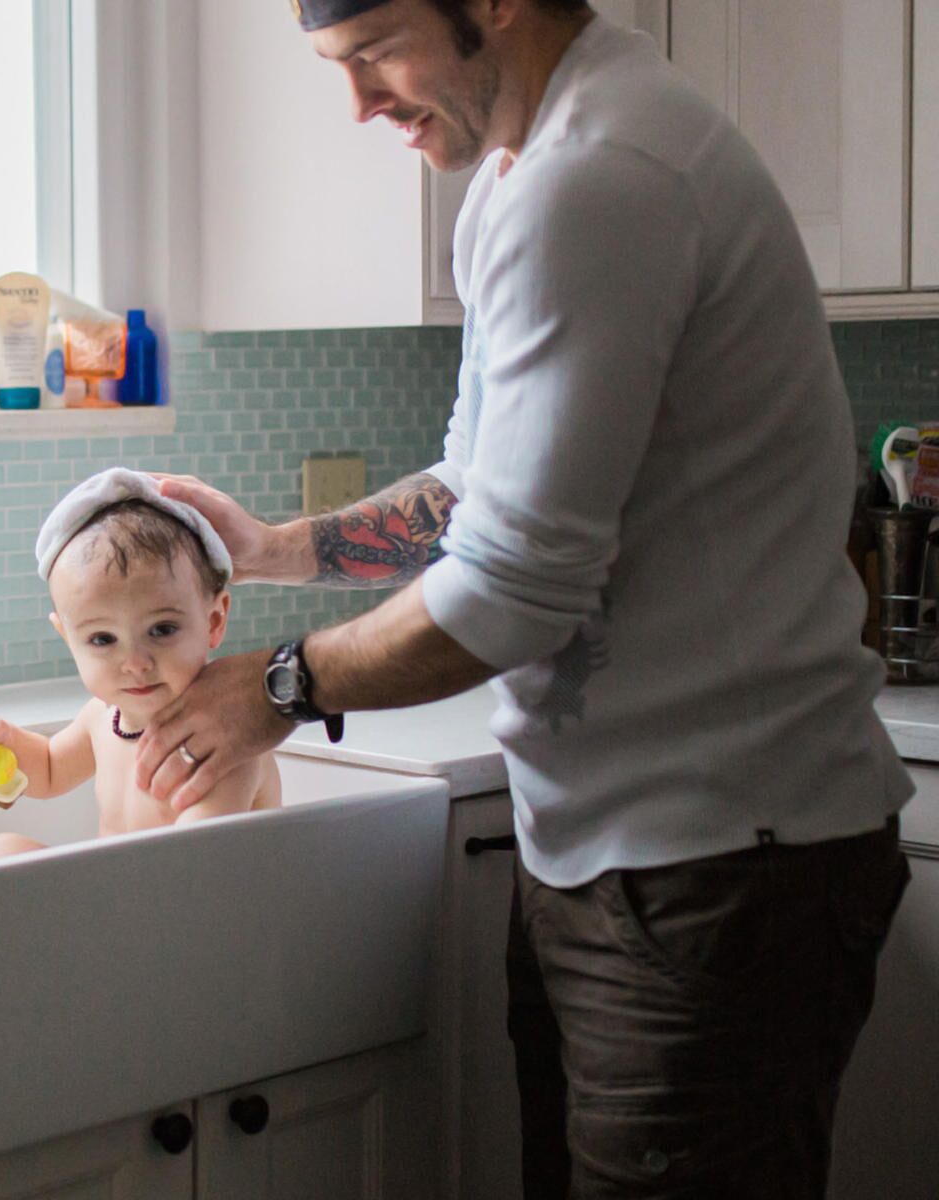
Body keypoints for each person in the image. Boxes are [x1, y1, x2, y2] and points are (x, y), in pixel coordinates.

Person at [131, 0, 913, 1195]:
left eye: (376, 52)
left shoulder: (597, 179)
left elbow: (514, 594)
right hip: (621, 852)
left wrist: (280, 687)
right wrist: (276, 549)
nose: (359, 103)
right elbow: (473, 488)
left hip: (718, 862)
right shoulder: (519, 178)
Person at [0, 469, 279, 861]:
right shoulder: (103, 717)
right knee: (0, 852)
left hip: (199, 911)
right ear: (67, 638)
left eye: (161, 629)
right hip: (124, 901)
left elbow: (195, 863)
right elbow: (49, 768)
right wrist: (2, 741)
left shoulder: (227, 735)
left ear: (213, 621)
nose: (135, 663)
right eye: (102, 639)